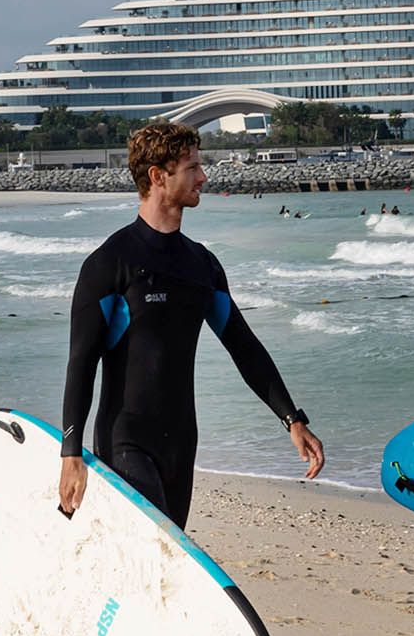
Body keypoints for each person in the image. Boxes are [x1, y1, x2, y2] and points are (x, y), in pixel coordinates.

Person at [59, 123, 324, 530]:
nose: (203, 177)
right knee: (156, 546)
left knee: (169, 558)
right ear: (158, 177)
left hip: (182, 443)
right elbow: (82, 363)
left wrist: (293, 419)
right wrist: (71, 455)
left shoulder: (202, 265)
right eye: (192, 167)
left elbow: (244, 346)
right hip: (126, 440)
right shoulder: (110, 263)